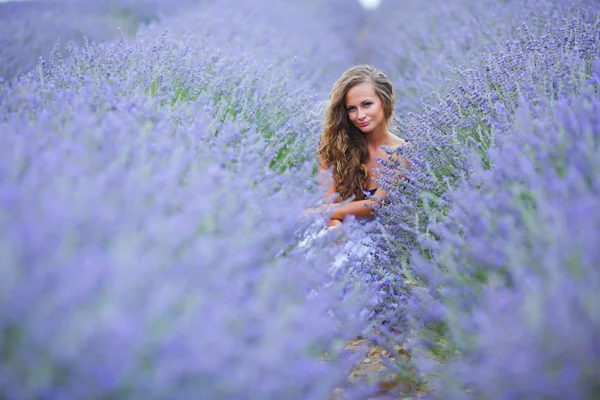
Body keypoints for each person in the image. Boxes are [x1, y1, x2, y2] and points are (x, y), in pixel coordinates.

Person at [317, 65, 407, 229]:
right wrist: (335, 229)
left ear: (384, 102)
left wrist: (315, 213)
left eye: (366, 104)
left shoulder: (402, 152)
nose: (360, 116)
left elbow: (375, 205)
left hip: (383, 244)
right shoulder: (332, 147)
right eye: (352, 109)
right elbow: (328, 205)